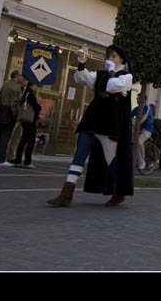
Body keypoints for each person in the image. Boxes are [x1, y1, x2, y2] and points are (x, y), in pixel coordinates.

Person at [47, 45, 134, 207]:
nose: (110, 59)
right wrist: (81, 62)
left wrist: (111, 71)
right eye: (108, 56)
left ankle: (118, 192)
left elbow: (113, 86)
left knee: (110, 159)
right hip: (92, 119)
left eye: (114, 56)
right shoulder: (100, 74)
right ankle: (66, 195)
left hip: (108, 123)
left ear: (122, 59)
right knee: (79, 155)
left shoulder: (126, 77)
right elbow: (81, 78)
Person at [0, 70, 24, 166]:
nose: (22, 78)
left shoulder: (5, 85)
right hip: (8, 113)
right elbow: (13, 102)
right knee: (5, 137)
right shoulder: (15, 87)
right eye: (21, 76)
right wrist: (15, 114)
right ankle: (1, 159)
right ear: (17, 76)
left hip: (2, 110)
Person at [13, 80, 41, 169]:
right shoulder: (31, 95)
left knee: (23, 140)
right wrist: (39, 107)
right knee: (30, 141)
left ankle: (18, 160)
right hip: (30, 121)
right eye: (36, 85)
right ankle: (27, 162)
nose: (37, 87)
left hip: (25, 120)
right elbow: (36, 107)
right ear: (31, 86)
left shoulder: (26, 94)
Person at [131, 99, 154, 171]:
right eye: (137, 98)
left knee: (139, 142)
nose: (138, 99)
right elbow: (130, 116)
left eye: (139, 98)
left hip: (147, 130)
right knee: (132, 142)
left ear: (144, 100)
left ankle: (142, 162)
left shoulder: (148, 107)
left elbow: (145, 116)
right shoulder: (136, 109)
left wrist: (137, 124)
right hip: (138, 130)